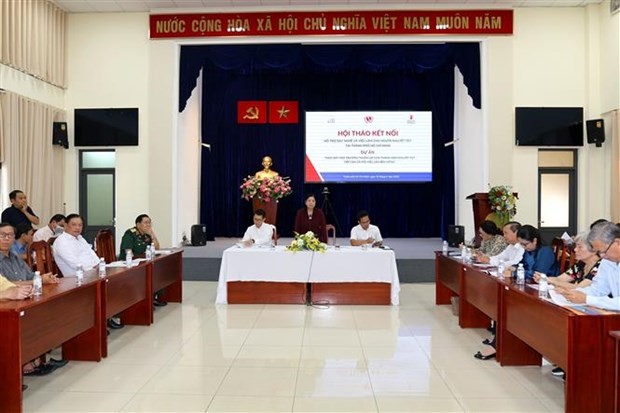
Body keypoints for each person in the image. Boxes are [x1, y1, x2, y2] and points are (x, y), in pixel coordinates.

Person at [559, 221, 620, 311]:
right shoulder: (607, 261)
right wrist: (573, 293)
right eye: (598, 252)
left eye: (603, 251)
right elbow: (598, 289)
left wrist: (587, 299)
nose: (602, 256)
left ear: (617, 242)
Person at [119, 214, 166, 307]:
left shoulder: (146, 235)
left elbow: (156, 247)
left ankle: (152, 297)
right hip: (129, 265)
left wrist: (152, 234)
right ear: (138, 224)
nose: (148, 225)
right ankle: (144, 302)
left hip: (143, 263)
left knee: (158, 270)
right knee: (147, 274)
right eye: (146, 223)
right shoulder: (130, 234)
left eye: (149, 223)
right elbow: (128, 252)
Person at [533, 232, 600, 290]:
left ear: (593, 250)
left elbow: (579, 288)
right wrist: (544, 278)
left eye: (580, 247)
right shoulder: (581, 264)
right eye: (575, 246)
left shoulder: (600, 267)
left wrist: (548, 280)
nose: (575, 250)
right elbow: (560, 279)